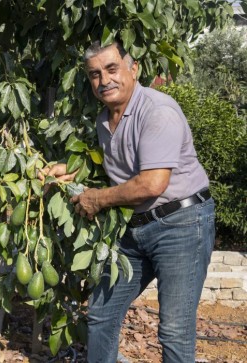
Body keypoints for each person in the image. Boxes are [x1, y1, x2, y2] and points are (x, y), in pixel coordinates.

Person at [43, 41, 215, 362]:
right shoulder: (103, 121)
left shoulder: (158, 111)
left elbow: (152, 183)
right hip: (136, 229)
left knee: (174, 331)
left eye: (111, 69)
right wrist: (64, 171)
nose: (104, 80)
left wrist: (98, 199)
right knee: (101, 314)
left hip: (181, 224)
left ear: (133, 69)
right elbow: (112, 171)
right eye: (95, 75)